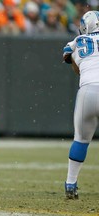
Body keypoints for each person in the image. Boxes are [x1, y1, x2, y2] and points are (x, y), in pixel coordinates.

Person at [63, 10, 99, 200]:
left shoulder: (76, 42)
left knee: (81, 139)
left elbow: (77, 68)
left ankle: (70, 183)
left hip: (88, 91)